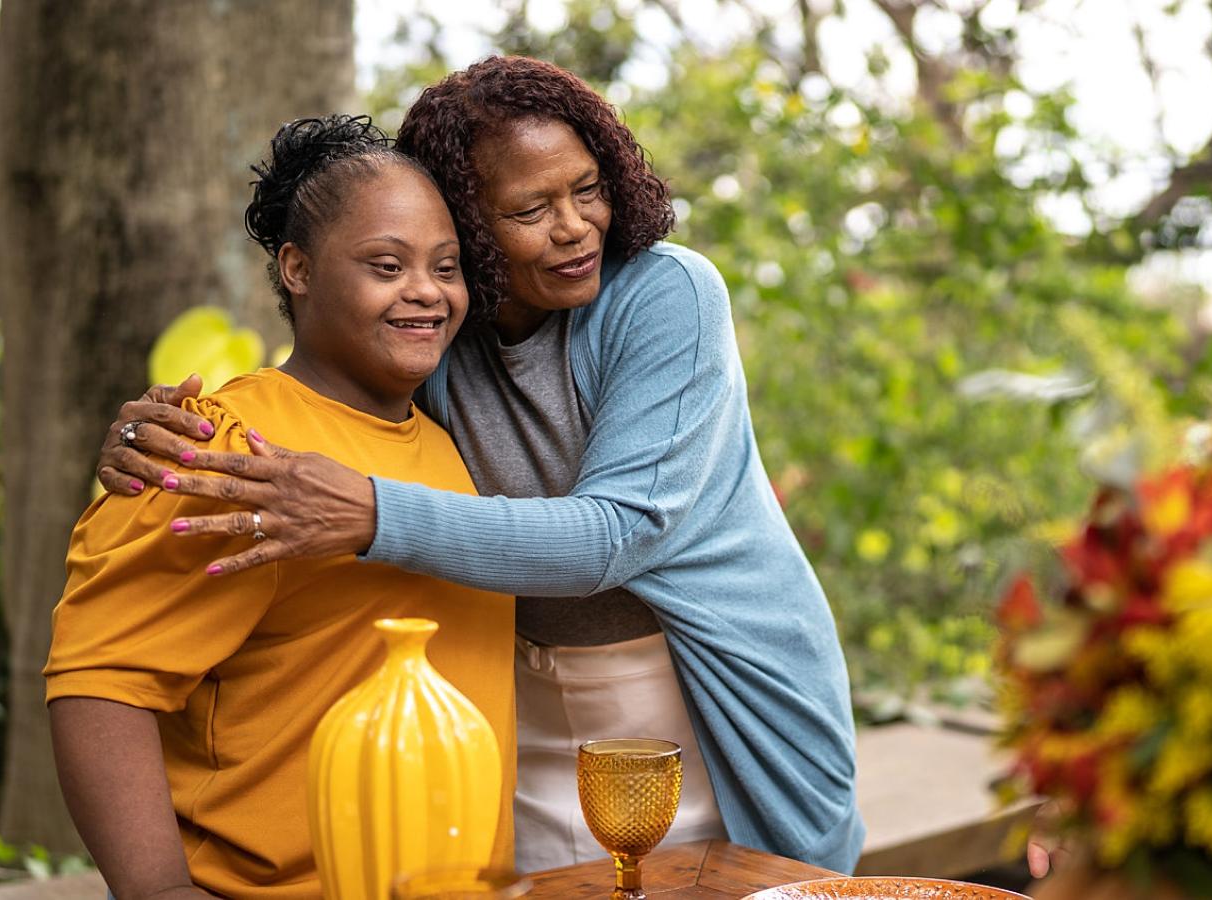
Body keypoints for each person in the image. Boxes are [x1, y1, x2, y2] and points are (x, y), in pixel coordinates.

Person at [99, 57, 864, 874]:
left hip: (709, 698)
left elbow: (620, 533)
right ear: (465, 222)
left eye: (588, 187)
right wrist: (165, 432)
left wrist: (370, 514)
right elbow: (332, 385)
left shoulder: (665, 293)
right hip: (516, 703)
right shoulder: (439, 327)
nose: (575, 227)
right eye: (530, 208)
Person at [45, 115, 514, 900]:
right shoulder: (222, 447)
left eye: (446, 266)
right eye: (386, 264)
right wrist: (158, 889)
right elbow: (103, 679)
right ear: (297, 268)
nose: (427, 292)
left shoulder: (446, 439)